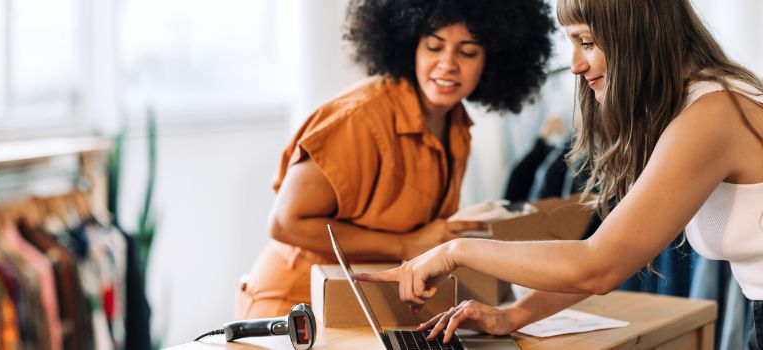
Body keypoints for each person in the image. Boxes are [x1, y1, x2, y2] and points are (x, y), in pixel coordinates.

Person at [357, 0, 763, 348]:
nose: (574, 65)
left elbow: (600, 265)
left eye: (586, 42)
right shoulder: (697, 106)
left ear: (639, 34)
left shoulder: (712, 116)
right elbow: (609, 253)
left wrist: (454, 251)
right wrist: (514, 315)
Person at [235, 0, 555, 319]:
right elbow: (284, 222)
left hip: (362, 308)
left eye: (467, 52)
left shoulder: (457, 127)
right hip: (293, 308)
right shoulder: (359, 118)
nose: (447, 64)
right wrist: (405, 244)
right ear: (410, 46)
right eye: (433, 46)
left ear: (493, 60)